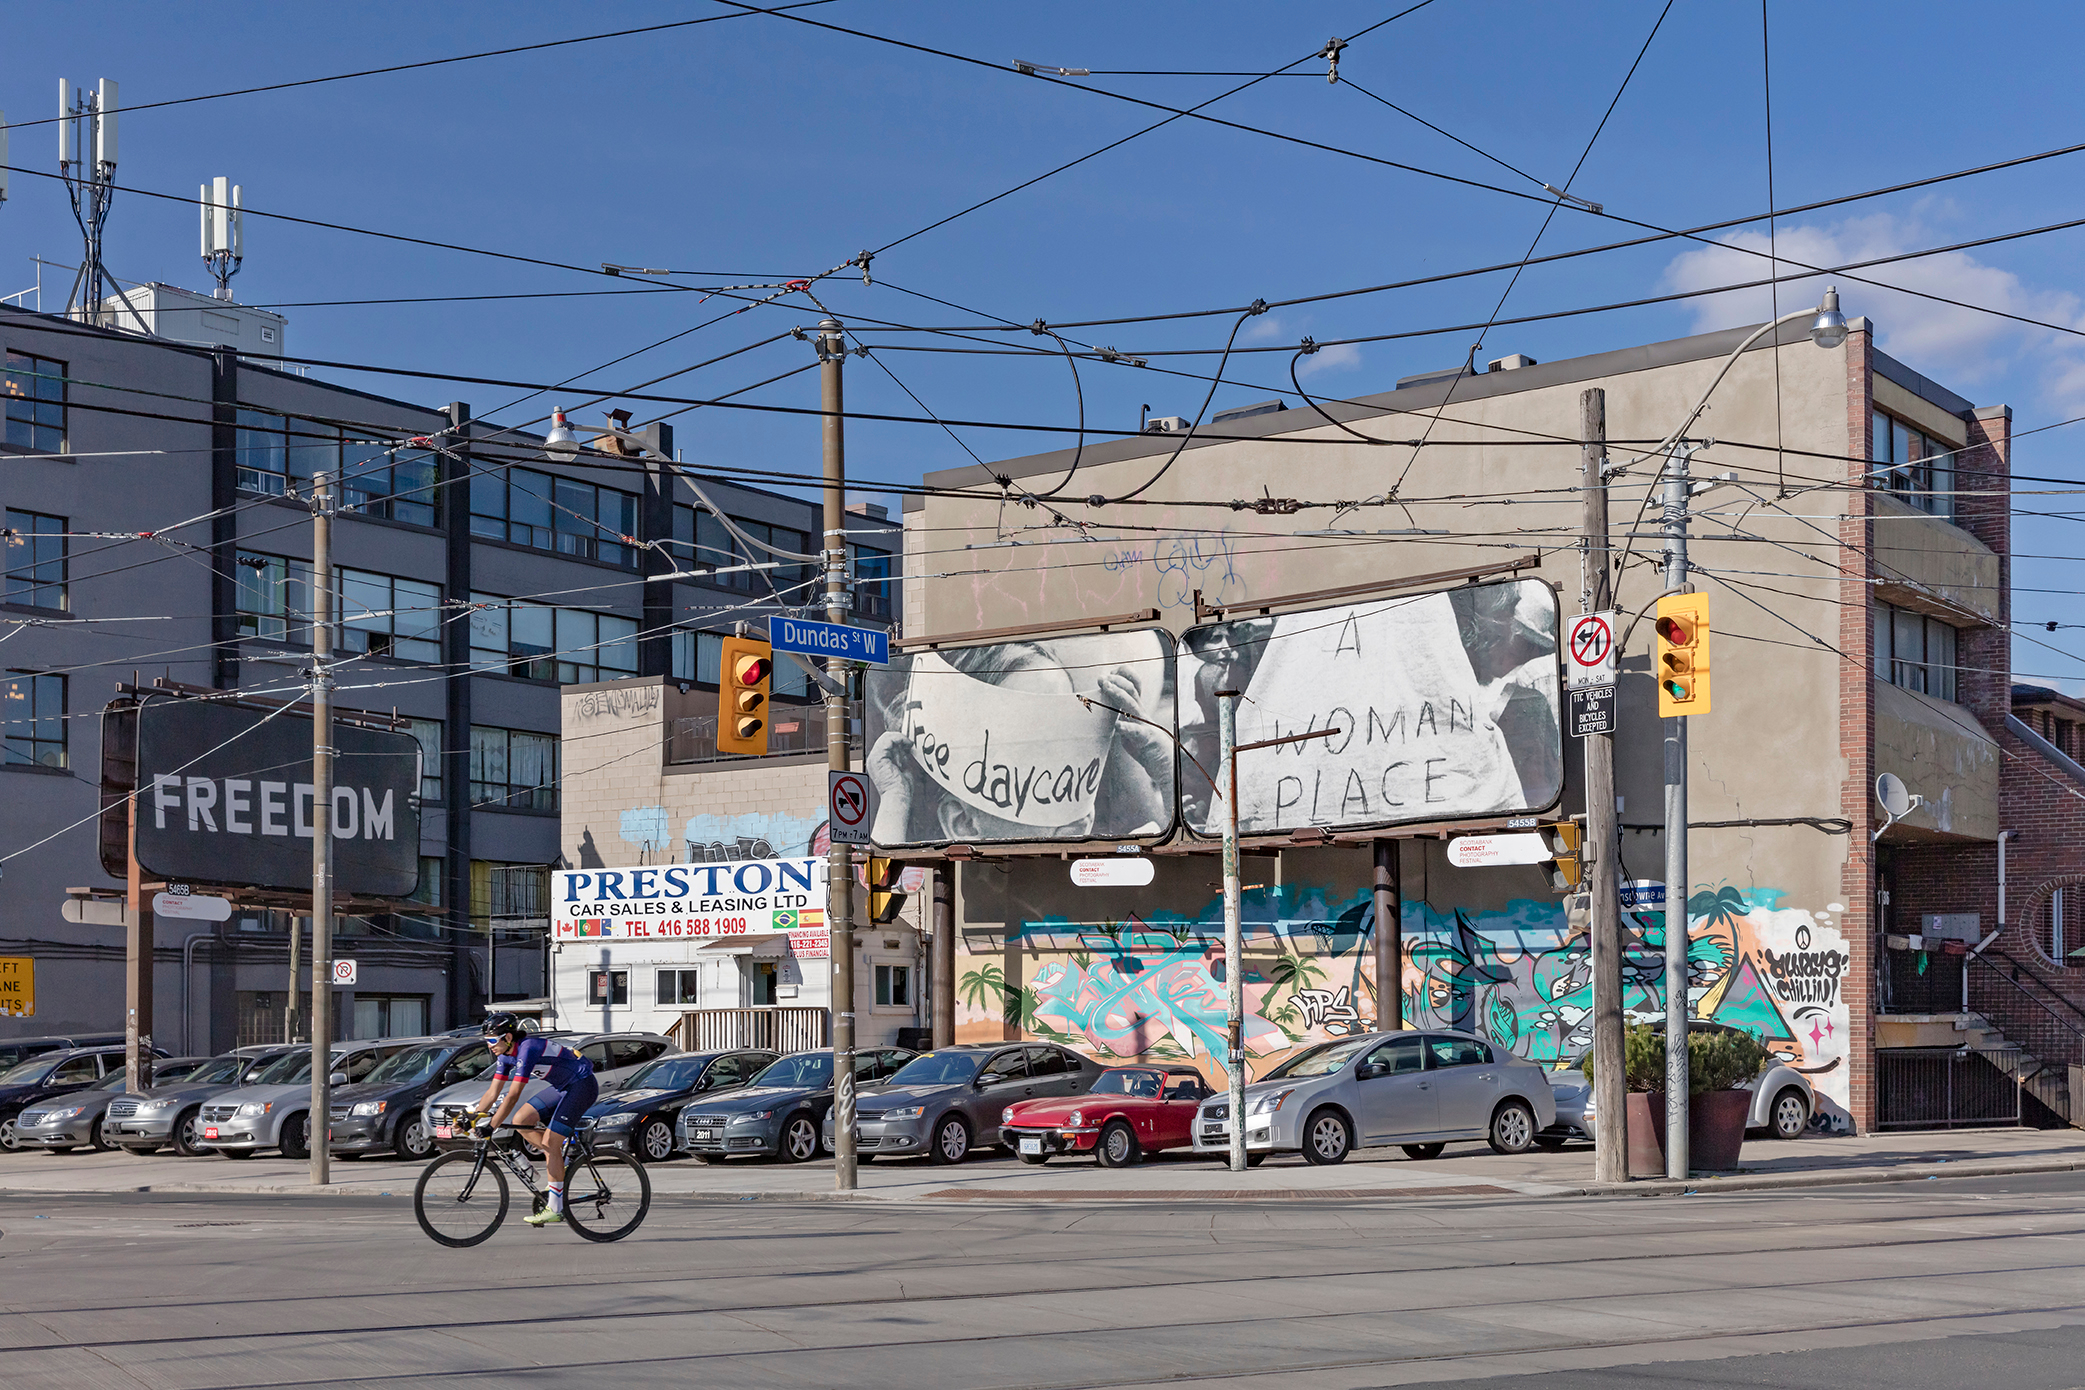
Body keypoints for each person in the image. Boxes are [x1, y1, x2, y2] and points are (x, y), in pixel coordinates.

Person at [467, 1013, 597, 1227]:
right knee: (521, 1120)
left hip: (582, 1086)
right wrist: (471, 1117)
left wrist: (492, 1126)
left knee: (550, 1143)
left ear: (508, 1037)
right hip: (563, 1088)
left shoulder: (528, 1049)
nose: (489, 1046)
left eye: (492, 1040)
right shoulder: (505, 1056)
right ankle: (557, 1160)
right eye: (486, 1041)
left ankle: (555, 1208)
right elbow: (492, 1093)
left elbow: (513, 1095)